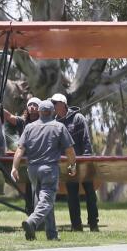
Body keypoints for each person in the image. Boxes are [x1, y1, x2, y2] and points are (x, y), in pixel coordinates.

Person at [11, 99, 76, 241]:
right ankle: (31, 222)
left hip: (32, 171)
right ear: (52, 112)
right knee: (46, 201)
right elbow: (70, 150)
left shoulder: (29, 127)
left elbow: (20, 149)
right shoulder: (59, 127)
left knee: (44, 200)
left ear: (40, 112)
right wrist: (72, 166)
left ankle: (52, 235)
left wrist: (14, 167)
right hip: (49, 170)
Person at [53, 93, 98, 232]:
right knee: (72, 195)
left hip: (83, 161)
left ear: (63, 104)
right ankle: (76, 225)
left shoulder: (78, 118)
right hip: (68, 164)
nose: (53, 105)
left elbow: (86, 140)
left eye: (56, 102)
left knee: (90, 193)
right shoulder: (54, 122)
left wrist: (86, 160)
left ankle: (93, 224)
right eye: (52, 103)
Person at [3, 97, 41, 212]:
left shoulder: (45, 122)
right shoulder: (22, 121)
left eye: (35, 105)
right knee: (29, 185)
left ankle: (38, 211)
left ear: (40, 108)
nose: (32, 107)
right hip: (25, 160)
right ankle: (30, 209)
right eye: (30, 105)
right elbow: (9, 116)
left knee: (38, 187)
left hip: (40, 159)